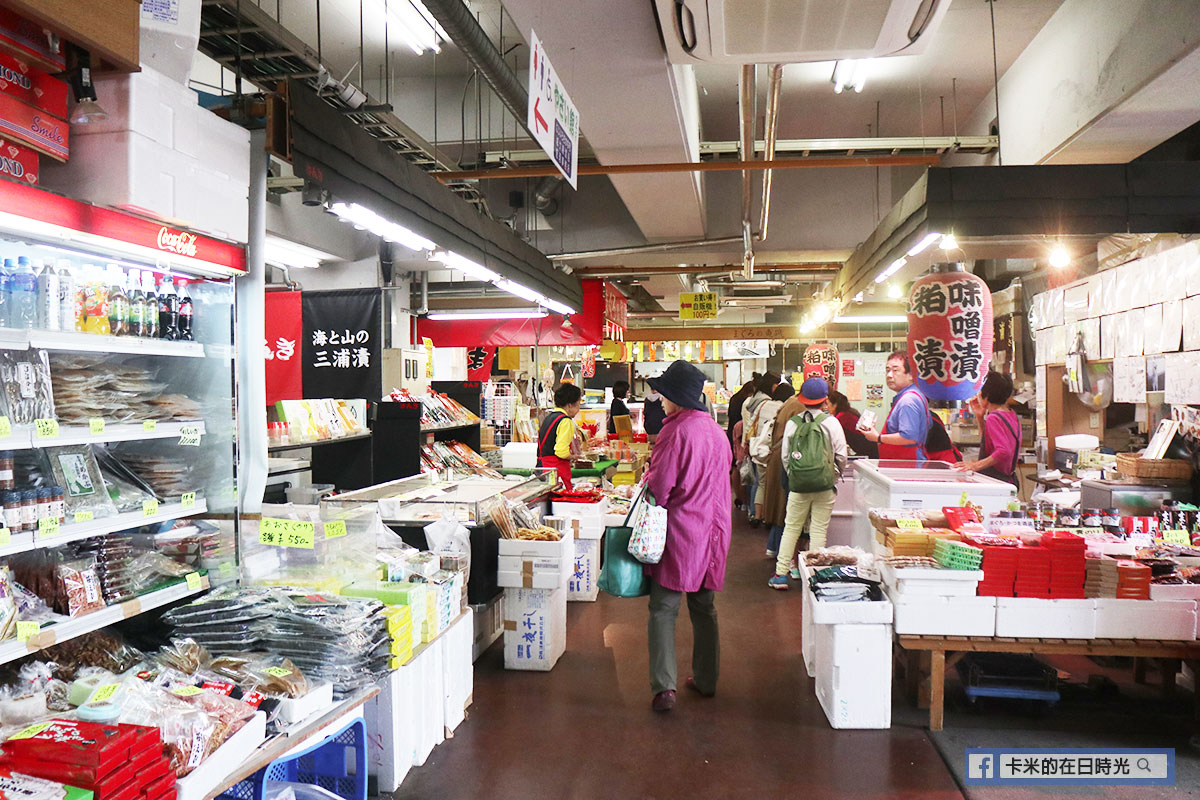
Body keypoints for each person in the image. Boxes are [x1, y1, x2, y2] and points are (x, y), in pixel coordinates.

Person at [643, 360, 732, 712]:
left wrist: (649, 484)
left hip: (682, 531)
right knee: (704, 607)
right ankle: (707, 680)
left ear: (675, 398)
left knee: (663, 609)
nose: (661, 400)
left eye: (664, 395)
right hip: (715, 531)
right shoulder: (715, 431)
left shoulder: (675, 431)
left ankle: (665, 687)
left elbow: (661, 488)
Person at [770, 377, 847, 590]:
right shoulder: (832, 423)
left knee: (791, 528)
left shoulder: (793, 423)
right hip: (824, 485)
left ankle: (780, 575)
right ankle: (815, 575)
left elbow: (786, 458)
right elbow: (841, 455)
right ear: (825, 400)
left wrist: (797, 476)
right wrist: (832, 475)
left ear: (803, 400)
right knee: (818, 530)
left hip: (798, 486)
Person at [860, 350, 930, 461]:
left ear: (911, 375)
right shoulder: (908, 396)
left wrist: (878, 437)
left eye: (895, 370)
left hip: (907, 467)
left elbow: (909, 437)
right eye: (887, 370)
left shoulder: (908, 400)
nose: (889, 375)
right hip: (902, 465)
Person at [954, 371, 1022, 485]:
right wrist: (980, 418)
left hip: (996, 481)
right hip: (1009, 479)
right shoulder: (1011, 414)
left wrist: (975, 465)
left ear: (987, 396)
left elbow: (1003, 451)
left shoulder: (994, 418)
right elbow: (987, 444)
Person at [761, 383, 799, 558]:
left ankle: (773, 546)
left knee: (780, 507)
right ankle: (785, 559)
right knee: (787, 510)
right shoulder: (800, 407)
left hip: (775, 458)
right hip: (785, 462)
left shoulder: (788, 404)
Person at [748, 383, 794, 525]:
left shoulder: (763, 405)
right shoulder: (784, 409)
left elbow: (751, 424)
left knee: (761, 484)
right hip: (774, 452)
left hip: (761, 449)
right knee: (775, 486)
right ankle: (770, 516)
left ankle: (757, 515)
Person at [740, 372, 780, 526]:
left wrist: (746, 444)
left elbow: (750, 425)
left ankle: (754, 513)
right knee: (764, 483)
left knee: (758, 482)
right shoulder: (770, 403)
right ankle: (763, 515)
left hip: (756, 446)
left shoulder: (756, 401)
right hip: (769, 448)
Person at [537, 384, 582, 490]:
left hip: (543, 468)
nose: (579, 409)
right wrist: (574, 457)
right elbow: (561, 452)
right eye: (578, 404)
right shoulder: (566, 421)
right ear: (570, 405)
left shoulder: (549, 417)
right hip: (557, 471)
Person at [825, 389, 878, 458]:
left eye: (828, 403)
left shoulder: (841, 417)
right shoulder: (849, 412)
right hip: (870, 449)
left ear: (835, 405)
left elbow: (834, 438)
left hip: (868, 452)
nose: (826, 407)